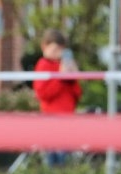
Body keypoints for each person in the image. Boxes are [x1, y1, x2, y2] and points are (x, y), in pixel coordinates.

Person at [33, 29, 82, 166]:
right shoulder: (43, 65)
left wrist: (72, 77)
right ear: (44, 47)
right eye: (54, 49)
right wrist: (60, 78)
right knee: (53, 158)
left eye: (60, 50)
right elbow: (43, 93)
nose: (57, 54)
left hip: (67, 119)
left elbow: (77, 94)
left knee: (65, 159)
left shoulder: (64, 65)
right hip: (51, 119)